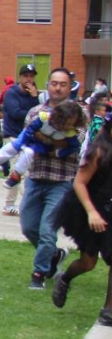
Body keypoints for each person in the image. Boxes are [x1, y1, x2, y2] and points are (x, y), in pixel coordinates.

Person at [21, 69, 88, 289]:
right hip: (36, 177)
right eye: (54, 83)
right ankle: (55, 255)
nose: (57, 88)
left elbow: (72, 146)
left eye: (63, 84)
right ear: (48, 85)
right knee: (29, 227)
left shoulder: (78, 114)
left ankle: (39, 273)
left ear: (70, 87)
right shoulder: (35, 111)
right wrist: (52, 141)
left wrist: (43, 139)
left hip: (62, 180)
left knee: (47, 230)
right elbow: (28, 142)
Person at [55, 110, 112, 325]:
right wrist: (91, 212)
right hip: (92, 207)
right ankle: (65, 278)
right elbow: (79, 183)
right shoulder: (98, 151)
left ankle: (108, 310)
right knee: (88, 262)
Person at [0, 100, 84, 189]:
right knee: (14, 146)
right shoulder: (44, 118)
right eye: (65, 123)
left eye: (71, 124)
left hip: (41, 145)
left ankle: (16, 175)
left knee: (28, 153)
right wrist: (25, 140)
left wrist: (58, 153)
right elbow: (31, 127)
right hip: (29, 135)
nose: (66, 127)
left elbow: (74, 147)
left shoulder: (70, 132)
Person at [0, 64, 41, 216]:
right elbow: (16, 113)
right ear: (20, 77)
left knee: (26, 172)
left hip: (29, 138)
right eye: (26, 76)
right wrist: (32, 110)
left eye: (31, 76)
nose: (29, 79)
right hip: (13, 137)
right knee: (18, 172)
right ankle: (16, 205)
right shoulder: (12, 93)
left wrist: (34, 98)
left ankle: (13, 204)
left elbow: (40, 114)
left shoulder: (33, 95)